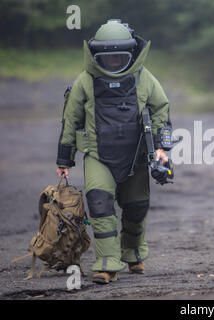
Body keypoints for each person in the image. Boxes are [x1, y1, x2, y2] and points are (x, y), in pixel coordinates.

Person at [56, 19, 172, 284]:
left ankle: (132, 254)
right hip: (98, 155)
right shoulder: (85, 81)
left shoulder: (144, 78)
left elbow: (161, 112)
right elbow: (71, 120)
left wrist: (163, 148)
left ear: (130, 54)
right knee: (99, 204)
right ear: (97, 56)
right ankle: (107, 263)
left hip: (137, 156)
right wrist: (64, 159)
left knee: (136, 208)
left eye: (120, 57)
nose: (115, 63)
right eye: (109, 58)